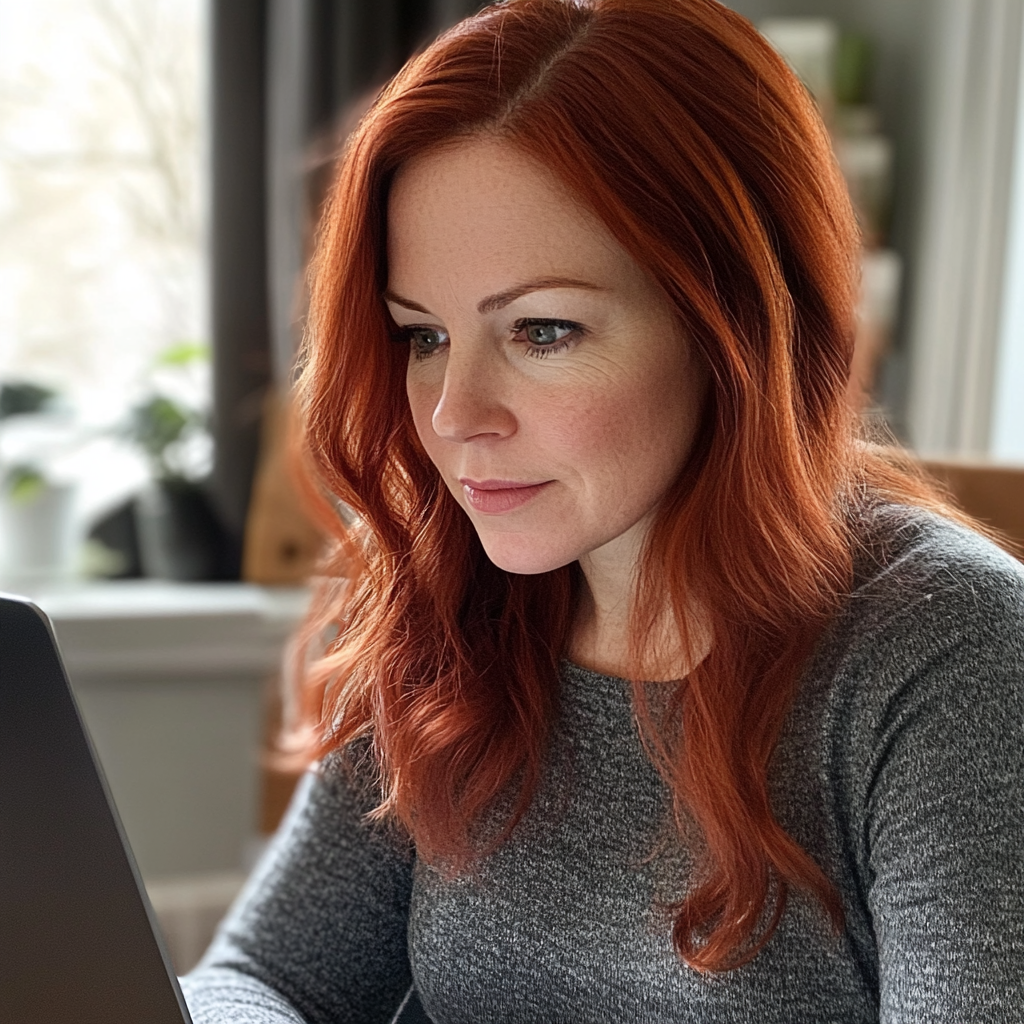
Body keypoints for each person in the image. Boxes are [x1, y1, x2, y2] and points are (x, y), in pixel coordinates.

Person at [181, 0, 1024, 1021]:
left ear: (736, 327)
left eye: (542, 330)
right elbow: (266, 976)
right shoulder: (448, 597)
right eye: (423, 335)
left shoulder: (954, 649)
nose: (454, 417)